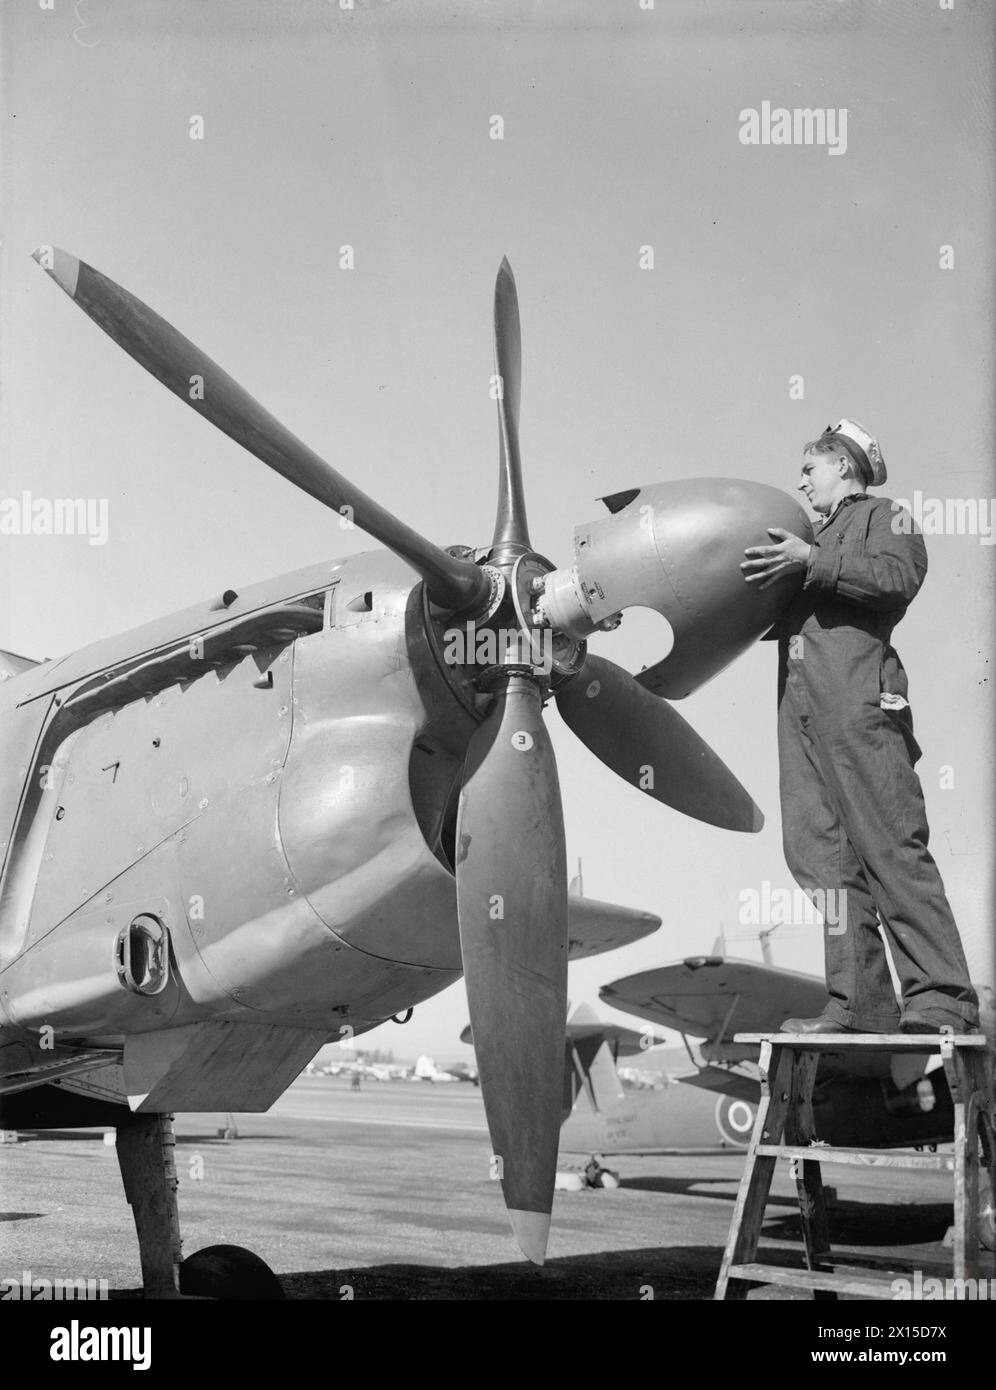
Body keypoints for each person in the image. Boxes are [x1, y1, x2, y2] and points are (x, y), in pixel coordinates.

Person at [740, 419, 979, 1035]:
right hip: (801, 715)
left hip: (860, 705)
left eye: (810, 468)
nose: (801, 481)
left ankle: (942, 997)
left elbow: (898, 578)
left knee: (888, 843)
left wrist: (812, 561)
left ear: (844, 466)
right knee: (821, 859)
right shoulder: (803, 543)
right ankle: (859, 1003)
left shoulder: (885, 516)